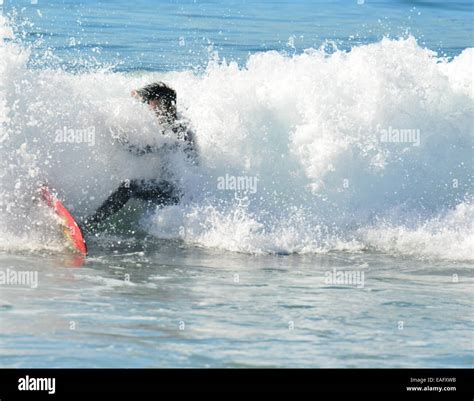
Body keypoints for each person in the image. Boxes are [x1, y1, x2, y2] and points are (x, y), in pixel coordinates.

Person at [84, 82, 196, 229]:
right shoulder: (174, 123)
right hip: (178, 189)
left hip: (178, 193)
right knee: (131, 185)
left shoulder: (176, 128)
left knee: (129, 187)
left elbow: (137, 151)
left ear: (159, 102)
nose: (149, 107)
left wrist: (113, 134)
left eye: (150, 102)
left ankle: (90, 224)